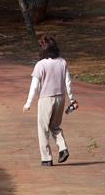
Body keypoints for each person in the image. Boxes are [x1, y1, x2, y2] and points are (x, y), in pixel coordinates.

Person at [23, 34, 78, 166]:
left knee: (43, 129)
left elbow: (34, 86)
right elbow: (68, 83)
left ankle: (46, 158)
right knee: (55, 126)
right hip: (60, 98)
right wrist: (72, 100)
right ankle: (63, 148)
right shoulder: (62, 62)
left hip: (46, 99)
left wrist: (28, 102)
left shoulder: (40, 65)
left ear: (43, 49)